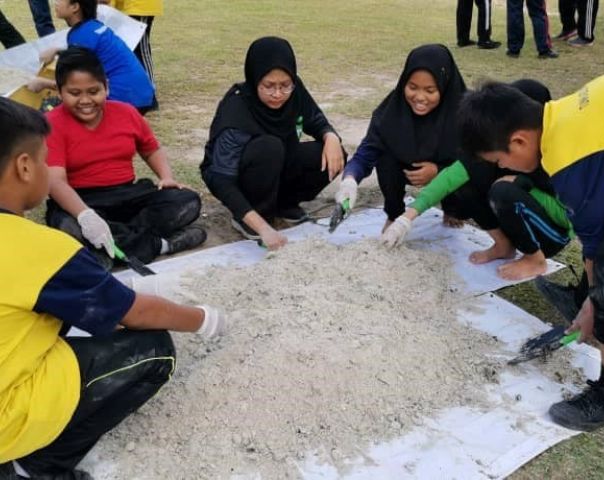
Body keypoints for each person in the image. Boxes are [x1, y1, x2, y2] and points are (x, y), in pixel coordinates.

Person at [0, 96, 226, 479]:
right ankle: (34, 468)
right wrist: (204, 319)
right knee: (154, 350)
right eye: (43, 160)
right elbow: (137, 313)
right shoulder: (39, 250)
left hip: (122, 204)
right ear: (25, 167)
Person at [456, 67, 604, 431]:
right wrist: (593, 298)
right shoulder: (565, 114)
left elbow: (596, 244)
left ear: (520, 141)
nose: (502, 168)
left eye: (498, 160)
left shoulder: (568, 156)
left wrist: (597, 301)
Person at [382, 79, 574, 281]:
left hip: (551, 234)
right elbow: (449, 177)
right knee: (469, 182)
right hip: (520, 219)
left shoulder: (559, 158)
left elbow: (569, 217)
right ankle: (503, 246)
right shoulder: (500, 145)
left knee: (503, 191)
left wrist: (522, 185)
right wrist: (406, 219)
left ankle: (535, 259)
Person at [45, 47, 205, 270]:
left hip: (128, 195)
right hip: (81, 200)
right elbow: (55, 182)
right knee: (68, 225)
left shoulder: (126, 112)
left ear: (106, 87)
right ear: (60, 92)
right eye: (74, 93)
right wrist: (85, 215)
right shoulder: (51, 123)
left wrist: (166, 176)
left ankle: (107, 251)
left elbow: (151, 149)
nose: (85, 100)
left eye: (93, 91)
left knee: (186, 201)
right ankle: (160, 245)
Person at [201, 36, 345, 250]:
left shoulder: (295, 91)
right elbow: (220, 179)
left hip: (278, 166)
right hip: (245, 177)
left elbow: (314, 119)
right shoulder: (236, 109)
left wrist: (331, 136)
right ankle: (252, 216)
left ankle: (285, 205)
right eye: (268, 86)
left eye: (285, 85)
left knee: (329, 152)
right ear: (254, 78)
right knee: (269, 147)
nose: (278, 94)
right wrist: (261, 227)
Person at [334, 44, 469, 234]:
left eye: (430, 90)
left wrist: (438, 171)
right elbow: (367, 151)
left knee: (468, 178)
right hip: (407, 167)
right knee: (385, 158)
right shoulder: (391, 111)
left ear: (445, 86)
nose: (419, 97)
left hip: (448, 169)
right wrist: (350, 180)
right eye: (412, 87)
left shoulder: (465, 113)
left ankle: (452, 208)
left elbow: (475, 161)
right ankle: (394, 213)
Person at [30, 0, 155, 113]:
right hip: (141, 94)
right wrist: (57, 50)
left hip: (125, 99)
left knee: (50, 111)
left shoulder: (82, 35)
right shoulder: (93, 27)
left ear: (75, 7)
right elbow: (86, 52)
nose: (55, 2)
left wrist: (43, 83)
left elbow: (79, 84)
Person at [98, 0, 162, 109]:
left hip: (139, 6)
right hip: (127, 6)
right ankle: (138, 90)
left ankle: (150, 94)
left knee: (141, 47)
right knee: (130, 48)